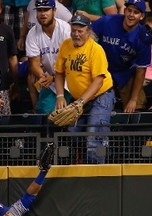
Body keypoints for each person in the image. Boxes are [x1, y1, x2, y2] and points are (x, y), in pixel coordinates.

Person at [54, 14, 115, 164]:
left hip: (101, 96)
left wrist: (80, 102)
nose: (76, 34)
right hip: (79, 99)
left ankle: (95, 175)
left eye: (80, 31)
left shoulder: (95, 49)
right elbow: (59, 72)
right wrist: (60, 95)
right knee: (71, 132)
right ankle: (78, 169)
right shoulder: (66, 45)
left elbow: (98, 81)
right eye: (74, 30)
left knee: (94, 135)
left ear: (88, 31)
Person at [92, 0, 151, 113]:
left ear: (142, 16)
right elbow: (89, 35)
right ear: (124, 10)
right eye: (129, 10)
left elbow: (141, 70)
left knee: (138, 104)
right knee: (96, 106)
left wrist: (133, 100)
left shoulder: (143, 37)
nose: (131, 15)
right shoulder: (108, 21)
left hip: (125, 73)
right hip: (101, 71)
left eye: (136, 12)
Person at [25, 0, 71, 114]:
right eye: (40, 10)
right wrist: (43, 76)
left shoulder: (65, 29)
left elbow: (72, 61)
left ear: (54, 11)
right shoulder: (32, 33)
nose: (43, 13)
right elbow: (34, 63)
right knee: (44, 112)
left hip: (70, 79)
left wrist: (55, 77)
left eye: (46, 9)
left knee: (63, 113)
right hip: (49, 80)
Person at [0, 142, 54, 216]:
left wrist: (43, 172)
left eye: (7, 211)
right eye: (5, 214)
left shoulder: (13, 213)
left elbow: (30, 194)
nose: (9, 214)